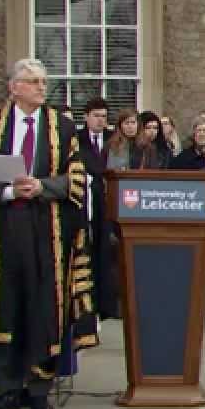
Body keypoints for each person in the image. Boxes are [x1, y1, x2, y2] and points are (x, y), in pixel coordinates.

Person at [0, 59, 98, 409]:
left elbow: (77, 178)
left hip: (47, 232)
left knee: (44, 308)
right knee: (4, 307)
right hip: (2, 232)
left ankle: (40, 388)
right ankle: (7, 388)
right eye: (33, 81)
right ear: (14, 87)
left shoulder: (64, 128)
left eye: (43, 81)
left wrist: (42, 186)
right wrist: (7, 190)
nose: (41, 87)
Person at [77, 98, 118, 320]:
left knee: (107, 255)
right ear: (86, 116)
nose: (100, 120)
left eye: (104, 116)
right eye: (96, 115)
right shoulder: (77, 140)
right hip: (88, 203)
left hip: (110, 202)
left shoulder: (114, 140)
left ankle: (107, 304)